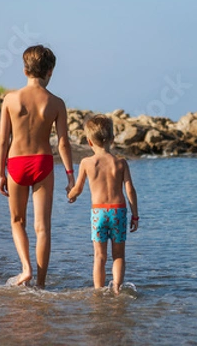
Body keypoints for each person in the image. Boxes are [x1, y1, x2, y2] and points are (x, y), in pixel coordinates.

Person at [0, 45, 75, 288]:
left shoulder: (11, 99)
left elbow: (2, 141)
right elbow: (63, 143)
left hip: (16, 163)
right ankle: (40, 285)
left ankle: (26, 268)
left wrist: (1, 173)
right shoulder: (56, 103)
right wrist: (71, 176)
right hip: (43, 163)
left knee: (17, 220)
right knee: (43, 227)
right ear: (50, 71)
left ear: (24, 70)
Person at [67, 115, 139, 295]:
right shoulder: (121, 163)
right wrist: (135, 215)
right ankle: (116, 288)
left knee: (99, 256)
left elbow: (78, 189)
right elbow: (130, 190)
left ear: (89, 142)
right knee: (118, 255)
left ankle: (98, 292)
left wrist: (71, 195)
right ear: (113, 140)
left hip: (98, 213)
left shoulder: (87, 163)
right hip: (118, 212)